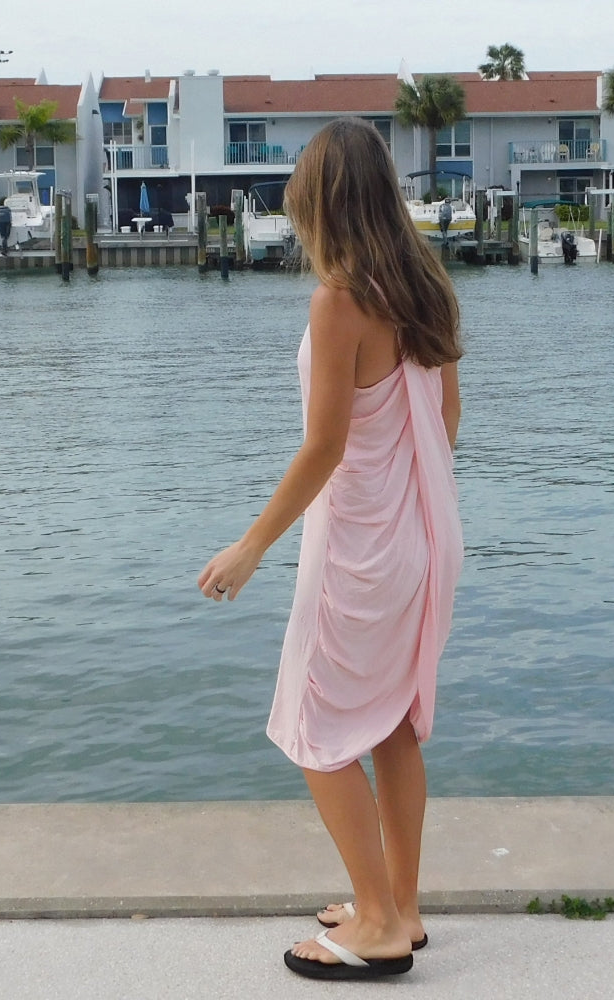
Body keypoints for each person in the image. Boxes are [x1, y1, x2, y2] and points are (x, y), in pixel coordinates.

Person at [197, 118, 463, 982]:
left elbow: (324, 448)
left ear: (321, 202)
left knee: (315, 729)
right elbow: (445, 424)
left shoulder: (342, 297)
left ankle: (379, 924)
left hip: (362, 552)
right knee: (390, 727)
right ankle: (403, 907)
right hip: (424, 536)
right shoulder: (426, 286)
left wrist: (250, 545)